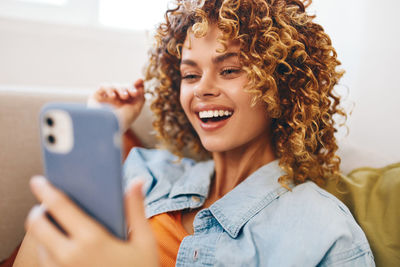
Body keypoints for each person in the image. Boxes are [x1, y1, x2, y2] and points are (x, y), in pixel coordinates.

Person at [14, 0, 375, 266]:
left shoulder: (326, 232)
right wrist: (102, 129)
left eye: (230, 70)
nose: (202, 89)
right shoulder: (146, 171)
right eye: (190, 74)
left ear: (282, 83)